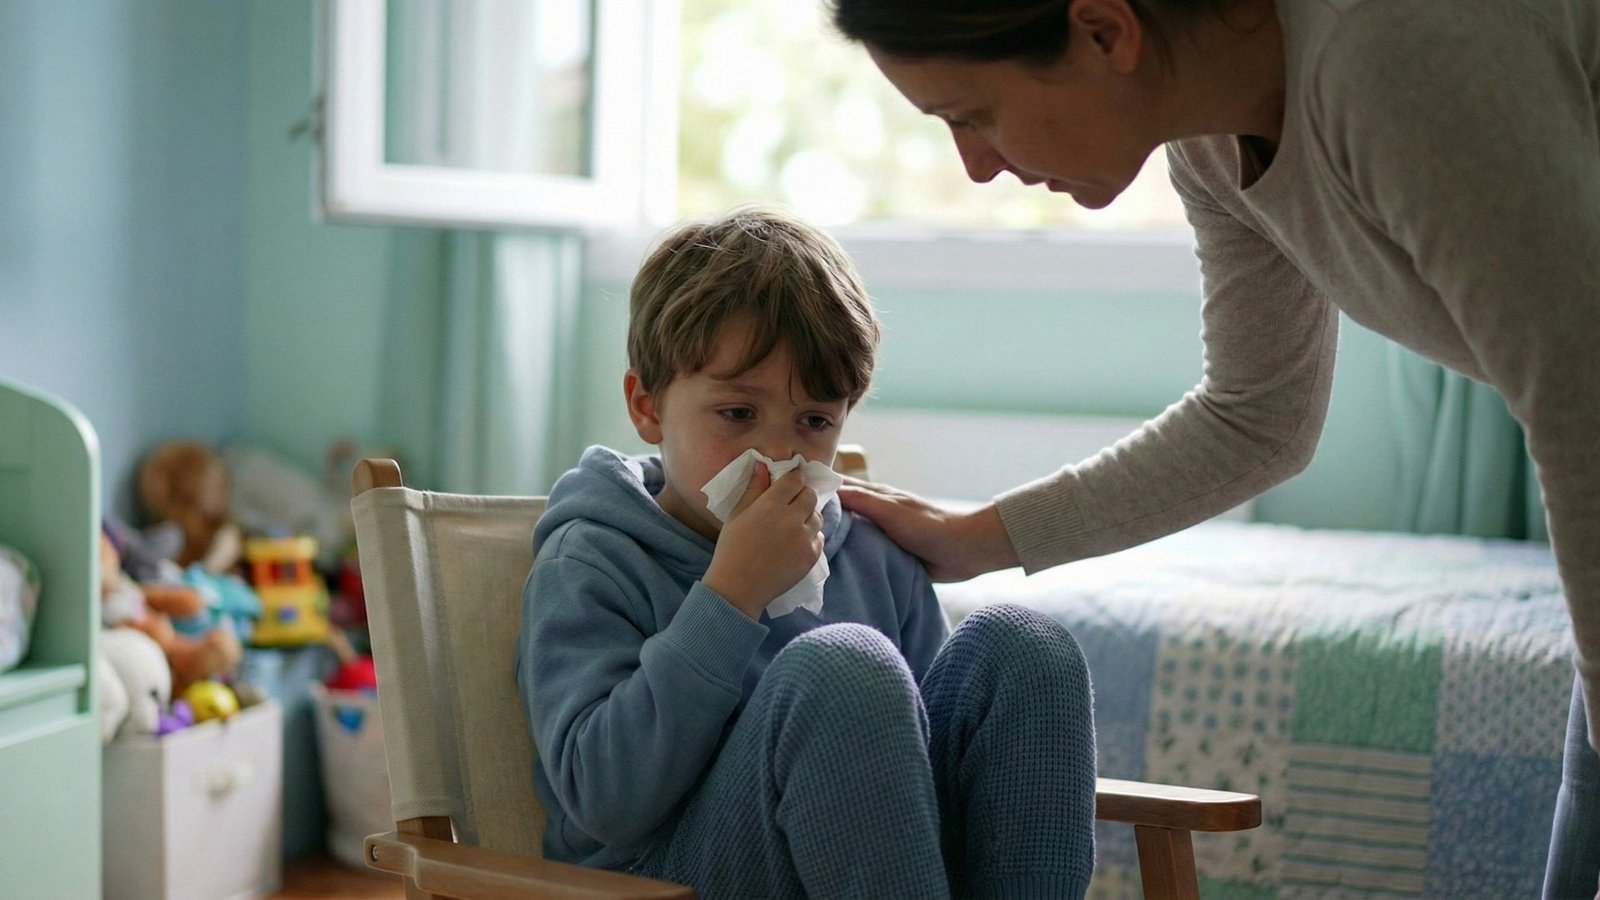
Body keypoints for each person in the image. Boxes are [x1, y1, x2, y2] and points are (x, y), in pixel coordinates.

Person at [826, 0, 1600, 895]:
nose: (976, 164)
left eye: (973, 115)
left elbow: (1584, 408)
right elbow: (1257, 417)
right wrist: (972, 539)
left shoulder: (1392, 53)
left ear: (1105, 32)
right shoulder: (1210, 146)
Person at [515, 207, 1097, 898]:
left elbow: (924, 788)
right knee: (843, 665)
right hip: (662, 876)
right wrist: (730, 596)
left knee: (1028, 647)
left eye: (814, 420)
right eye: (738, 414)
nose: (779, 451)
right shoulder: (594, 561)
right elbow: (605, 801)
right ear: (647, 406)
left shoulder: (875, 557)